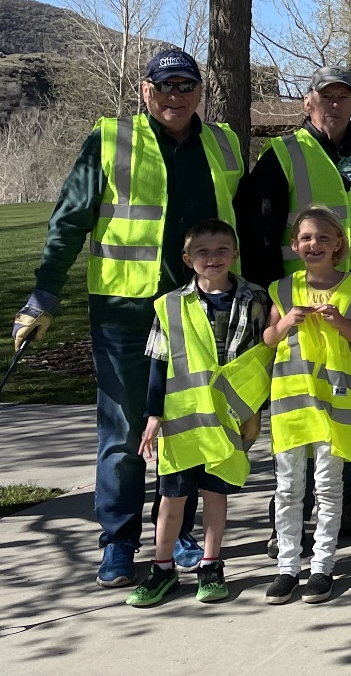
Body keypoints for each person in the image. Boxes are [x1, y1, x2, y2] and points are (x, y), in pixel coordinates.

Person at [13, 48, 244, 587]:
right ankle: (118, 541)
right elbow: (69, 220)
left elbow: (240, 223)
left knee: (187, 427)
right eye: (164, 86)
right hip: (124, 310)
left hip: (196, 310)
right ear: (145, 91)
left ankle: (176, 534)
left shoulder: (225, 144)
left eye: (185, 85)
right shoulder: (111, 139)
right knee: (123, 430)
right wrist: (45, 293)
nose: (174, 96)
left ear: (200, 92)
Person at [234, 65, 351, 545]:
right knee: (303, 408)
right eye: (326, 97)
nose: (334, 105)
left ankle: (348, 503)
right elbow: (260, 232)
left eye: (343, 96)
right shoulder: (284, 155)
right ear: (308, 102)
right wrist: (272, 298)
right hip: (303, 309)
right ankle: (289, 514)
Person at [127, 219, 271, 607]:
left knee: (215, 494)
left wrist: (255, 411)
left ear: (235, 254)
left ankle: (210, 565)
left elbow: (262, 359)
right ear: (187, 259)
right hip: (183, 421)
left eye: (222, 250)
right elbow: (158, 363)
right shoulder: (170, 305)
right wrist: (153, 416)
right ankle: (162, 569)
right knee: (171, 498)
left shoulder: (256, 299)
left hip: (228, 418)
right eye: (202, 252)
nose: (213, 258)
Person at [261, 207, 351, 605]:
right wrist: (284, 324)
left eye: (323, 238)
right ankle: (287, 568)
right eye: (306, 238)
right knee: (288, 488)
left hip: (335, 405)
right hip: (293, 406)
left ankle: (322, 567)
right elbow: (268, 339)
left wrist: (339, 322)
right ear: (295, 245)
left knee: (329, 488)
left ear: (338, 244)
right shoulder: (283, 289)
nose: (314, 244)